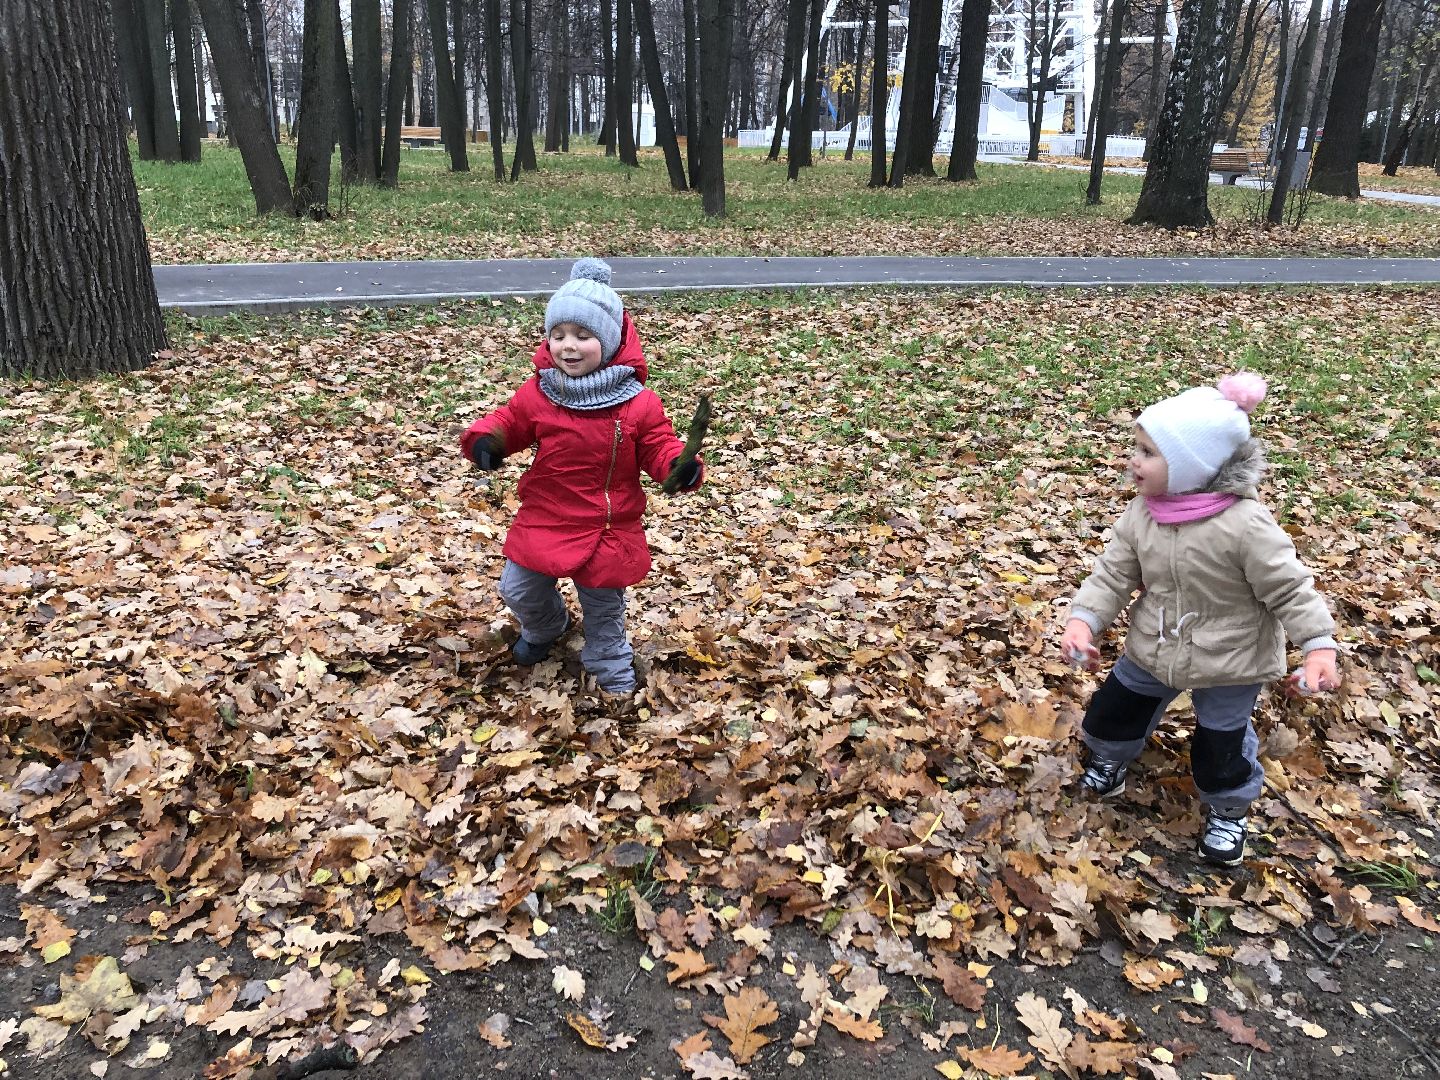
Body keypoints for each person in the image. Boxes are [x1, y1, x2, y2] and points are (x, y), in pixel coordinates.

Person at [1059, 373, 1340, 865]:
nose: (1134, 460)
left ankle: (1229, 809)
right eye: (1136, 447)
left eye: (1149, 452)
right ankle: (1110, 760)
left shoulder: (1246, 526)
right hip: (1155, 643)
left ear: (1193, 466)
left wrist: (1318, 644)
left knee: (1221, 743)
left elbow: (1289, 588)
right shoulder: (1142, 515)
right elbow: (1112, 574)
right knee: (1113, 712)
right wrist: (1085, 620)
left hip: (1232, 657)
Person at [461, 259, 704, 698]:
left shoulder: (638, 403)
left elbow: (658, 445)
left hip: (606, 523)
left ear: (608, 342)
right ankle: (547, 626)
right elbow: (510, 421)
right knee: (518, 589)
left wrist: (678, 466)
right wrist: (487, 441)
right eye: (558, 335)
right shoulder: (541, 391)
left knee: (603, 609)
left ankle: (613, 673)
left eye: (582, 336)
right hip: (547, 513)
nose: (568, 346)